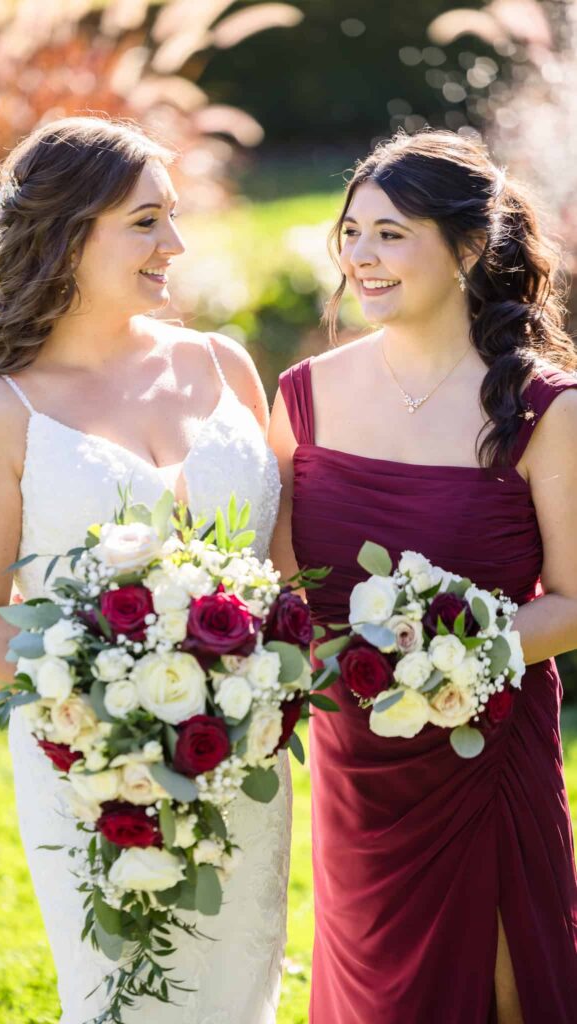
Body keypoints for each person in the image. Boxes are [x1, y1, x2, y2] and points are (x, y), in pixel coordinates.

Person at [0, 115, 289, 1024]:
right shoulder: (0, 409)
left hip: (240, 756)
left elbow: (283, 573)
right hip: (93, 769)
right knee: (120, 994)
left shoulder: (223, 367)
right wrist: (118, 713)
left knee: (235, 984)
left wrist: (256, 692)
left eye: (172, 217)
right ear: (66, 232)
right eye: (145, 221)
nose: (176, 244)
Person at [269, 129, 577, 1024]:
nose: (361, 257)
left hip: (482, 752)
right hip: (354, 760)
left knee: (500, 986)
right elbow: (279, 588)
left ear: (469, 249)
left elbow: (570, 601)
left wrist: (441, 656)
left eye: (391, 234)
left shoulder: (541, 409)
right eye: (351, 232)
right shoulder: (301, 395)